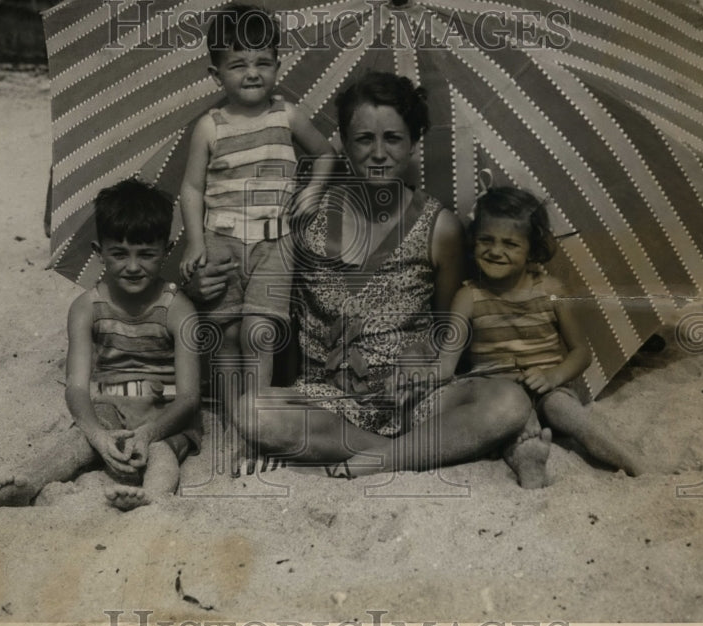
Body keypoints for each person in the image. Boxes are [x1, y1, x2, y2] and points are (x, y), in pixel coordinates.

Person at [206, 70, 535, 477]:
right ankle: (402, 453)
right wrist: (202, 280)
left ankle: (382, 456)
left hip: (415, 397)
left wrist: (420, 361)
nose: (378, 153)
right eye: (364, 139)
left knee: (509, 401)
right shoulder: (306, 217)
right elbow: (260, 297)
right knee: (254, 411)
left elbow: (448, 328)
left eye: (393, 139)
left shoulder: (441, 227)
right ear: (343, 144)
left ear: (414, 144)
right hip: (328, 402)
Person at [0, 178, 202, 510]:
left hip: (165, 413)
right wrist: (98, 435)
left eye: (146, 254)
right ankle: (31, 481)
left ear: (166, 252)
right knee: (76, 440)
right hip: (109, 406)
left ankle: (153, 497)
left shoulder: (178, 309)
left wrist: (149, 433)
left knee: (161, 452)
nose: (132, 266)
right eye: (119, 254)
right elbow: (76, 388)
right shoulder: (86, 308)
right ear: (99, 253)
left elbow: (188, 397)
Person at [438, 185, 643, 486]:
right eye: (486, 240)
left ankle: (624, 456)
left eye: (510, 243)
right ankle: (530, 464)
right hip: (499, 398)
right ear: (473, 241)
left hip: (550, 388)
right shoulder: (468, 297)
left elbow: (580, 352)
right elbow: (447, 361)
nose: (495, 251)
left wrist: (553, 376)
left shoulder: (552, 291)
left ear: (532, 249)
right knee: (514, 424)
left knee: (565, 410)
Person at [179, 4, 336, 394]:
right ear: (216, 74)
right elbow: (192, 188)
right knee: (226, 332)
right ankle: (233, 411)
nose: (252, 73)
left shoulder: (287, 116)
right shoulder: (209, 127)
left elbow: (327, 154)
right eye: (238, 64)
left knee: (259, 332)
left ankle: (257, 412)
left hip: (274, 243)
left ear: (277, 65)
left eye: (263, 62)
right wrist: (195, 243)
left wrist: (314, 190)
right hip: (222, 241)